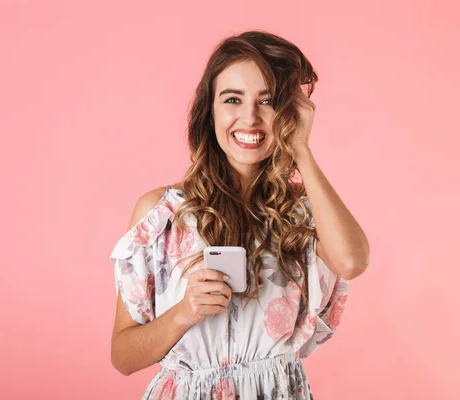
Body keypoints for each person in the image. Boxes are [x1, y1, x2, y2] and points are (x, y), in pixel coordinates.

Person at [109, 30, 370, 399]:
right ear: (209, 109)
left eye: (268, 101)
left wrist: (301, 149)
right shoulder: (162, 213)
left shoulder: (302, 212)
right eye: (233, 99)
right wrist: (184, 312)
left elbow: (352, 261)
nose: (250, 118)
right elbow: (123, 357)